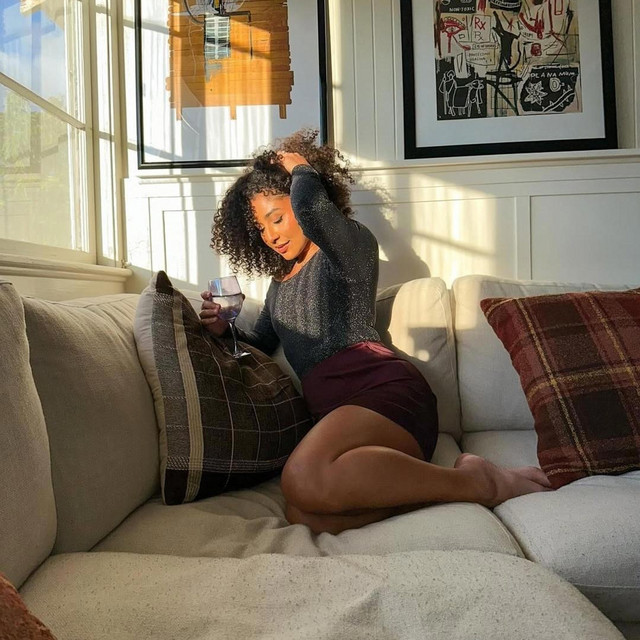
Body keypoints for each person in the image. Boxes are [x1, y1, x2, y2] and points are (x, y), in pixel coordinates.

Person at [200, 129, 551, 534]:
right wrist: (223, 328)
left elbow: (313, 211)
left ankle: (480, 483)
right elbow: (260, 345)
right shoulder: (279, 286)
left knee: (301, 478)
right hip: (337, 418)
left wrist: (300, 169)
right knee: (306, 515)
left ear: (304, 196)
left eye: (277, 218)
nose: (272, 235)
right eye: (261, 229)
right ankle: (453, 484)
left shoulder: (349, 249)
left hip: (383, 393)